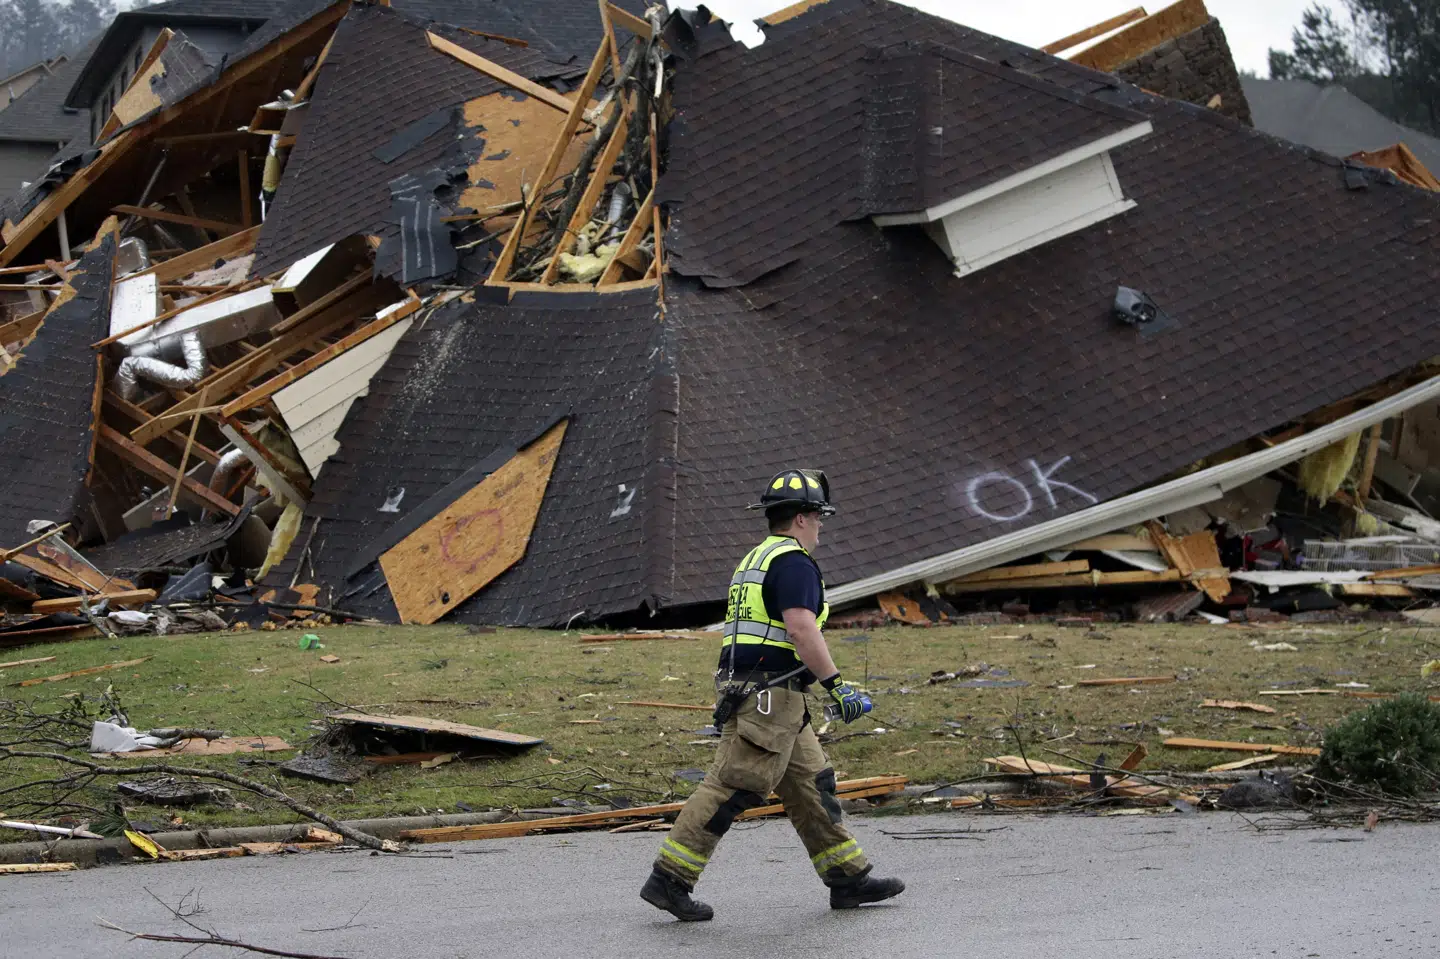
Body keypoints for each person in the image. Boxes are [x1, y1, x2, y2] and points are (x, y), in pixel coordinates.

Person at [640, 468, 905, 921]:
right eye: (819, 516)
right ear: (801, 518)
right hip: (770, 696)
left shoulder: (757, 558)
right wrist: (838, 687)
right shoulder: (794, 562)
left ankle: (847, 878)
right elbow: (801, 629)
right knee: (732, 786)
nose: (821, 525)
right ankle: (670, 880)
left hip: (768, 695)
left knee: (810, 787)